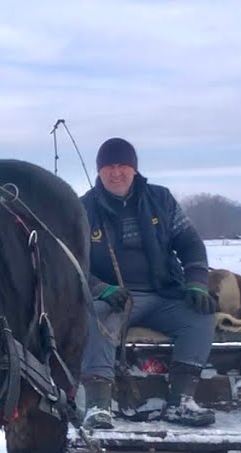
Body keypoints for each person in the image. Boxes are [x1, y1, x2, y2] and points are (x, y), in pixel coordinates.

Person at [79, 137, 217, 429]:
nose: (116, 173)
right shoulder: (83, 209)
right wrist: (100, 289)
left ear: (134, 169)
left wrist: (196, 283)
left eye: (122, 165)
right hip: (116, 299)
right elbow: (72, 263)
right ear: (99, 171)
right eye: (108, 167)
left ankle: (180, 401)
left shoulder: (162, 200)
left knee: (201, 316)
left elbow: (191, 244)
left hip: (164, 293)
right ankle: (98, 405)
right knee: (95, 316)